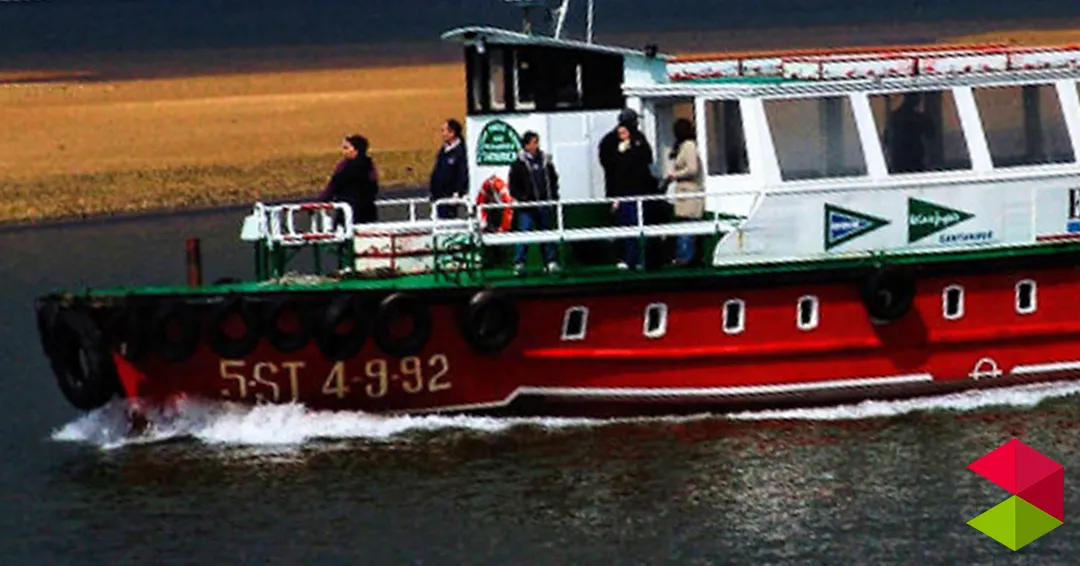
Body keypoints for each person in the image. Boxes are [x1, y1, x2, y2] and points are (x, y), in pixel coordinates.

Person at [599, 109, 657, 270]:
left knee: (640, 224)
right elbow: (608, 164)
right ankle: (623, 258)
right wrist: (622, 154)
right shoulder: (609, 141)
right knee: (622, 225)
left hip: (640, 190)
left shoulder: (639, 138)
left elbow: (647, 157)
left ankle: (640, 259)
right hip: (619, 191)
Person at [507, 131, 560, 275]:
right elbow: (513, 186)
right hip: (527, 207)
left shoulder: (545, 162)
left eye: (537, 142)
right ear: (526, 145)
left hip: (545, 204)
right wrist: (524, 198)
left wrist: (553, 196)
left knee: (547, 234)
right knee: (525, 235)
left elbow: (553, 179)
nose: (537, 145)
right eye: (534, 142)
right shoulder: (518, 165)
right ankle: (519, 263)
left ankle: (551, 261)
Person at [665, 118, 704, 266]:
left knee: (688, 227)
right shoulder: (682, 146)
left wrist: (674, 175)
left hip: (690, 193)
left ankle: (685, 258)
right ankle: (683, 256)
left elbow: (692, 169)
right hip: (683, 194)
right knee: (684, 226)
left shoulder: (689, 146)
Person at [318, 134, 378, 224]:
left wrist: (319, 202)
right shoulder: (369, 166)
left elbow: (333, 186)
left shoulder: (345, 167)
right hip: (368, 212)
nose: (343, 152)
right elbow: (374, 187)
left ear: (356, 150)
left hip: (348, 213)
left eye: (346, 148)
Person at [884, 93, 935, 173]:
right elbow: (931, 133)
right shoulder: (917, 118)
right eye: (917, 97)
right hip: (912, 161)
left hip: (898, 162)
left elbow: (886, 139)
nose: (918, 100)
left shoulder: (894, 117)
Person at [429, 118, 468, 219]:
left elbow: (462, 172)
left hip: (450, 197)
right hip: (438, 196)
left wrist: (458, 192)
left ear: (452, 133)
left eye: (444, 131)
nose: (442, 134)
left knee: (448, 221)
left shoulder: (461, 152)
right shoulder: (443, 150)